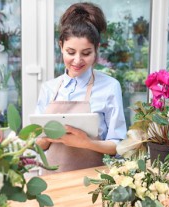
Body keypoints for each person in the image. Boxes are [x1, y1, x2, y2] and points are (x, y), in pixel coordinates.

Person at [35, 2, 127, 174]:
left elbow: (119, 145)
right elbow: (39, 144)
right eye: (70, 52)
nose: (77, 61)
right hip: (51, 181)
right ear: (61, 45)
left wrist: (85, 143)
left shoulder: (110, 87)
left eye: (86, 53)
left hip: (94, 182)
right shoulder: (49, 88)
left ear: (96, 49)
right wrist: (46, 137)